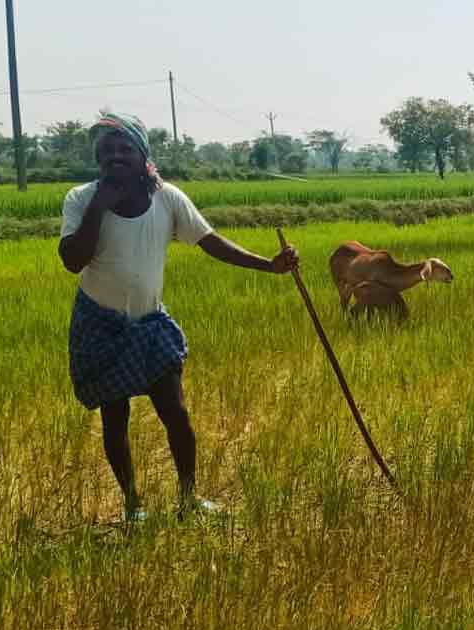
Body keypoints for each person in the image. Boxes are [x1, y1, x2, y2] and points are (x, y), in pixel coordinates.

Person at [59, 111, 298, 521]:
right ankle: (133, 504)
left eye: (125, 149)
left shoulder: (167, 198)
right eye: (107, 151)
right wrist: (100, 206)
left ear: (142, 155)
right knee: (115, 418)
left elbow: (210, 241)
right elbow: (72, 260)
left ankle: (189, 499)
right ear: (98, 159)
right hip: (101, 323)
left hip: (151, 324)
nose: (115, 156)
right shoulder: (81, 199)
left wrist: (269, 266)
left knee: (177, 413)